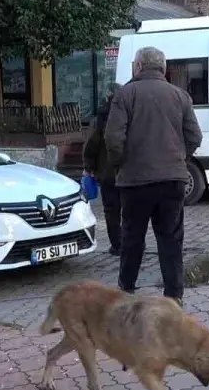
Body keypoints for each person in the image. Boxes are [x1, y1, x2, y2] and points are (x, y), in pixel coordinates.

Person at [104, 46, 202, 305]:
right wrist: (179, 158)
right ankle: (174, 296)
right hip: (173, 181)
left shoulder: (125, 95)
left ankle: (126, 292)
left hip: (135, 182)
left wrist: (121, 164)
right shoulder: (180, 96)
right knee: (171, 239)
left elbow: (113, 138)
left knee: (132, 238)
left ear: (137, 67)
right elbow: (195, 136)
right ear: (164, 68)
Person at [82, 86, 122, 255]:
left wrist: (89, 167)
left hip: (107, 174)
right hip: (129, 173)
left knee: (111, 211)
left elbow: (91, 145)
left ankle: (117, 245)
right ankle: (133, 243)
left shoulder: (101, 119)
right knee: (130, 211)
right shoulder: (130, 116)